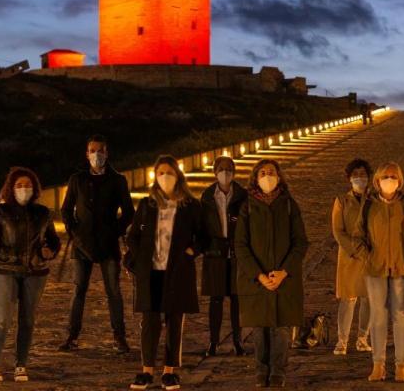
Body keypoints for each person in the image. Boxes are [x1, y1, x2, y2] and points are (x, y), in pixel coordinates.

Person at [124, 156, 205, 391]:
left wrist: (191, 252)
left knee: (174, 321)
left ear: (178, 175)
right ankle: (146, 370)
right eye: (160, 173)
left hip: (177, 272)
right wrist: (140, 259)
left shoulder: (190, 205)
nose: (165, 177)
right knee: (149, 321)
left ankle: (170, 371)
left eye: (169, 172)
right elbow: (132, 237)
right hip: (151, 272)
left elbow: (204, 236)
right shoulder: (146, 204)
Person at [0, 167, 61, 383]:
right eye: (19, 185)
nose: (24, 189)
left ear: (34, 189)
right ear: (11, 188)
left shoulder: (43, 213)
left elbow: (53, 240)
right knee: (2, 320)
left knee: (27, 320)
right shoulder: (0, 212)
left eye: (28, 185)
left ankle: (21, 364)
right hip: (6, 271)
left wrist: (50, 251)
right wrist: (4, 256)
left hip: (35, 272)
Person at [235, 159, 309, 388]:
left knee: (281, 328)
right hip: (257, 280)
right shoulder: (247, 206)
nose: (267, 176)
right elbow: (240, 245)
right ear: (256, 178)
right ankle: (261, 370)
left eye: (271, 172)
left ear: (279, 177)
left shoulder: (289, 205)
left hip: (285, 279)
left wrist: (284, 272)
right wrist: (259, 275)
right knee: (260, 328)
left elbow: (300, 243)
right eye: (263, 172)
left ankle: (278, 371)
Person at [59, 134, 135, 353]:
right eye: (93, 150)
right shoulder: (77, 179)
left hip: (108, 244)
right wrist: (73, 231)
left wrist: (115, 231)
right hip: (82, 244)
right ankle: (71, 336)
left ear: (107, 153)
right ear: (87, 153)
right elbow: (66, 209)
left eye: (101, 150)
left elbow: (128, 212)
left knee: (114, 291)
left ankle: (119, 337)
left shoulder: (118, 180)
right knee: (78, 290)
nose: (97, 154)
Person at [355, 162, 404, 383]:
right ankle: (378, 364)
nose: (389, 180)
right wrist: (366, 255)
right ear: (377, 180)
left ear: (400, 180)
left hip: (402, 267)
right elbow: (359, 234)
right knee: (378, 316)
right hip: (375, 268)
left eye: (393, 176)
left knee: (400, 315)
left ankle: (401, 364)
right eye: (385, 176)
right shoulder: (369, 205)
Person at [199, 156, 248, 357]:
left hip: (237, 253)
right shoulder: (208, 196)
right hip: (215, 254)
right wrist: (205, 247)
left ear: (234, 171)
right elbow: (201, 225)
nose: (225, 172)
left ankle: (238, 340)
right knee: (216, 300)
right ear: (214, 171)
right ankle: (213, 341)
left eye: (229, 168)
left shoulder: (243, 195)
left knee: (237, 300)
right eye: (221, 168)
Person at [330, 159, 373, 355]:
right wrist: (354, 249)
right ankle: (342, 340)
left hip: (370, 255)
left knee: (369, 299)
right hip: (349, 256)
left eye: (362, 174)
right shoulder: (342, 201)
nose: (359, 178)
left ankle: (363, 337)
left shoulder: (374, 199)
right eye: (355, 175)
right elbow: (338, 231)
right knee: (348, 299)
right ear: (349, 178)